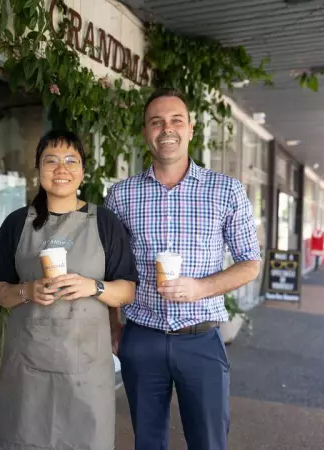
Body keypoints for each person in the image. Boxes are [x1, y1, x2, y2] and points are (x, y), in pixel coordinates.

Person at [104, 88, 262, 450]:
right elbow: (111, 268)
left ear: (191, 129)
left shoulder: (226, 191)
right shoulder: (122, 195)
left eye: (176, 120)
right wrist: (115, 327)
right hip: (141, 337)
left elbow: (250, 263)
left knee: (209, 441)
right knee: (147, 441)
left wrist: (201, 288)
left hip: (201, 339)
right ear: (145, 132)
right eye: (156, 122)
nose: (167, 129)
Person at [0, 130, 139, 449]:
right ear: (38, 168)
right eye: (51, 160)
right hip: (27, 372)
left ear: (83, 171)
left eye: (71, 160)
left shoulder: (105, 223)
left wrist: (93, 286)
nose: (61, 168)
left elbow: (127, 290)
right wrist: (27, 291)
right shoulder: (16, 224)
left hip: (86, 372)